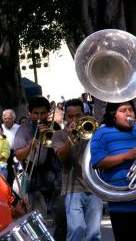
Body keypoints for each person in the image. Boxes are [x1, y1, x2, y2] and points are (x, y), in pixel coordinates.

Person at [13, 96, 66, 240]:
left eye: (43, 113)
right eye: (36, 113)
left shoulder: (55, 127)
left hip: (57, 180)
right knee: (39, 223)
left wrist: (56, 136)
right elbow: (18, 155)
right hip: (36, 182)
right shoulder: (23, 130)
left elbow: (63, 150)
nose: (40, 116)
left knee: (62, 220)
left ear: (48, 113)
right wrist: (30, 146)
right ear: (30, 113)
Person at [52, 99, 102, 241]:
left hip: (94, 188)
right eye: (70, 116)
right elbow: (62, 158)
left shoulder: (93, 130)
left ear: (84, 115)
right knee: (76, 230)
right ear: (65, 117)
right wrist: (71, 138)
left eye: (78, 116)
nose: (74, 120)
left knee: (93, 234)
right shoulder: (58, 135)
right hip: (72, 189)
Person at [90, 101, 136, 241]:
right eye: (123, 110)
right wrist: (126, 156)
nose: (128, 113)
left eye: (130, 109)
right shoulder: (102, 133)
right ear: (113, 115)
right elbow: (97, 162)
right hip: (121, 206)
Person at [1, 109, 21, 185]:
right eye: (5, 118)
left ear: (13, 118)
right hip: (4, 154)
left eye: (9, 118)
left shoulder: (19, 128)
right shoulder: (1, 127)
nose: (7, 120)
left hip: (15, 153)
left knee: (15, 175)